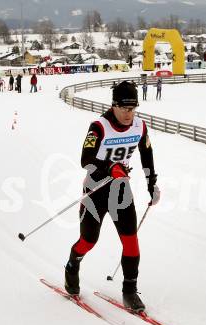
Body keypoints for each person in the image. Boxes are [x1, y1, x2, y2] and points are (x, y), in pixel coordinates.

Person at [64, 81, 160, 312]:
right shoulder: (99, 126)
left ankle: (129, 291)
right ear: (114, 105)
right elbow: (85, 160)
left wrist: (152, 184)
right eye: (125, 108)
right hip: (95, 190)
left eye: (133, 108)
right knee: (88, 240)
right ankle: (72, 266)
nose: (129, 114)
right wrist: (109, 168)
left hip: (120, 190)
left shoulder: (139, 126)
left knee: (131, 241)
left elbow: (147, 154)